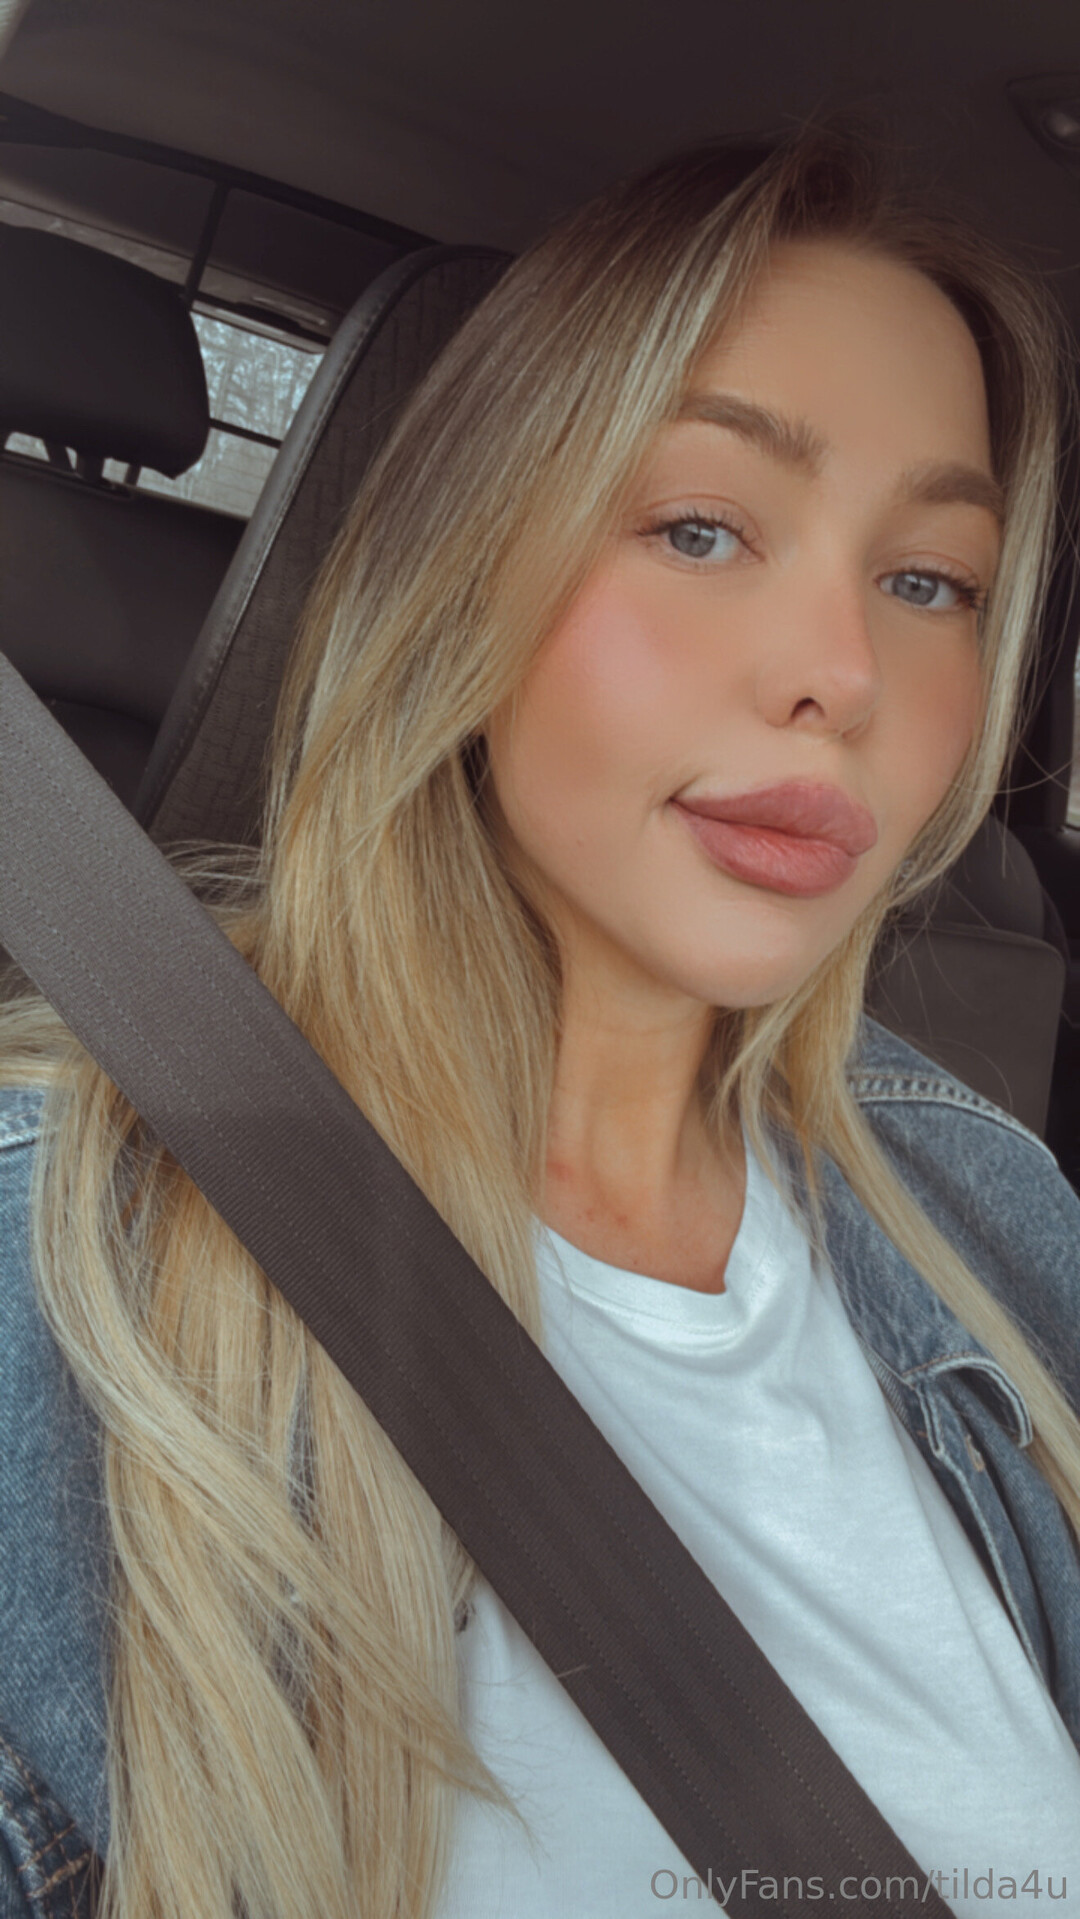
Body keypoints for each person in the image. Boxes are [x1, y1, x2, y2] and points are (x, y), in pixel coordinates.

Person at [2, 119, 1080, 1919]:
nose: (844, 674)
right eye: (702, 527)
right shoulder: (58, 1254)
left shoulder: (987, 1203)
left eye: (929, 582)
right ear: (465, 563)